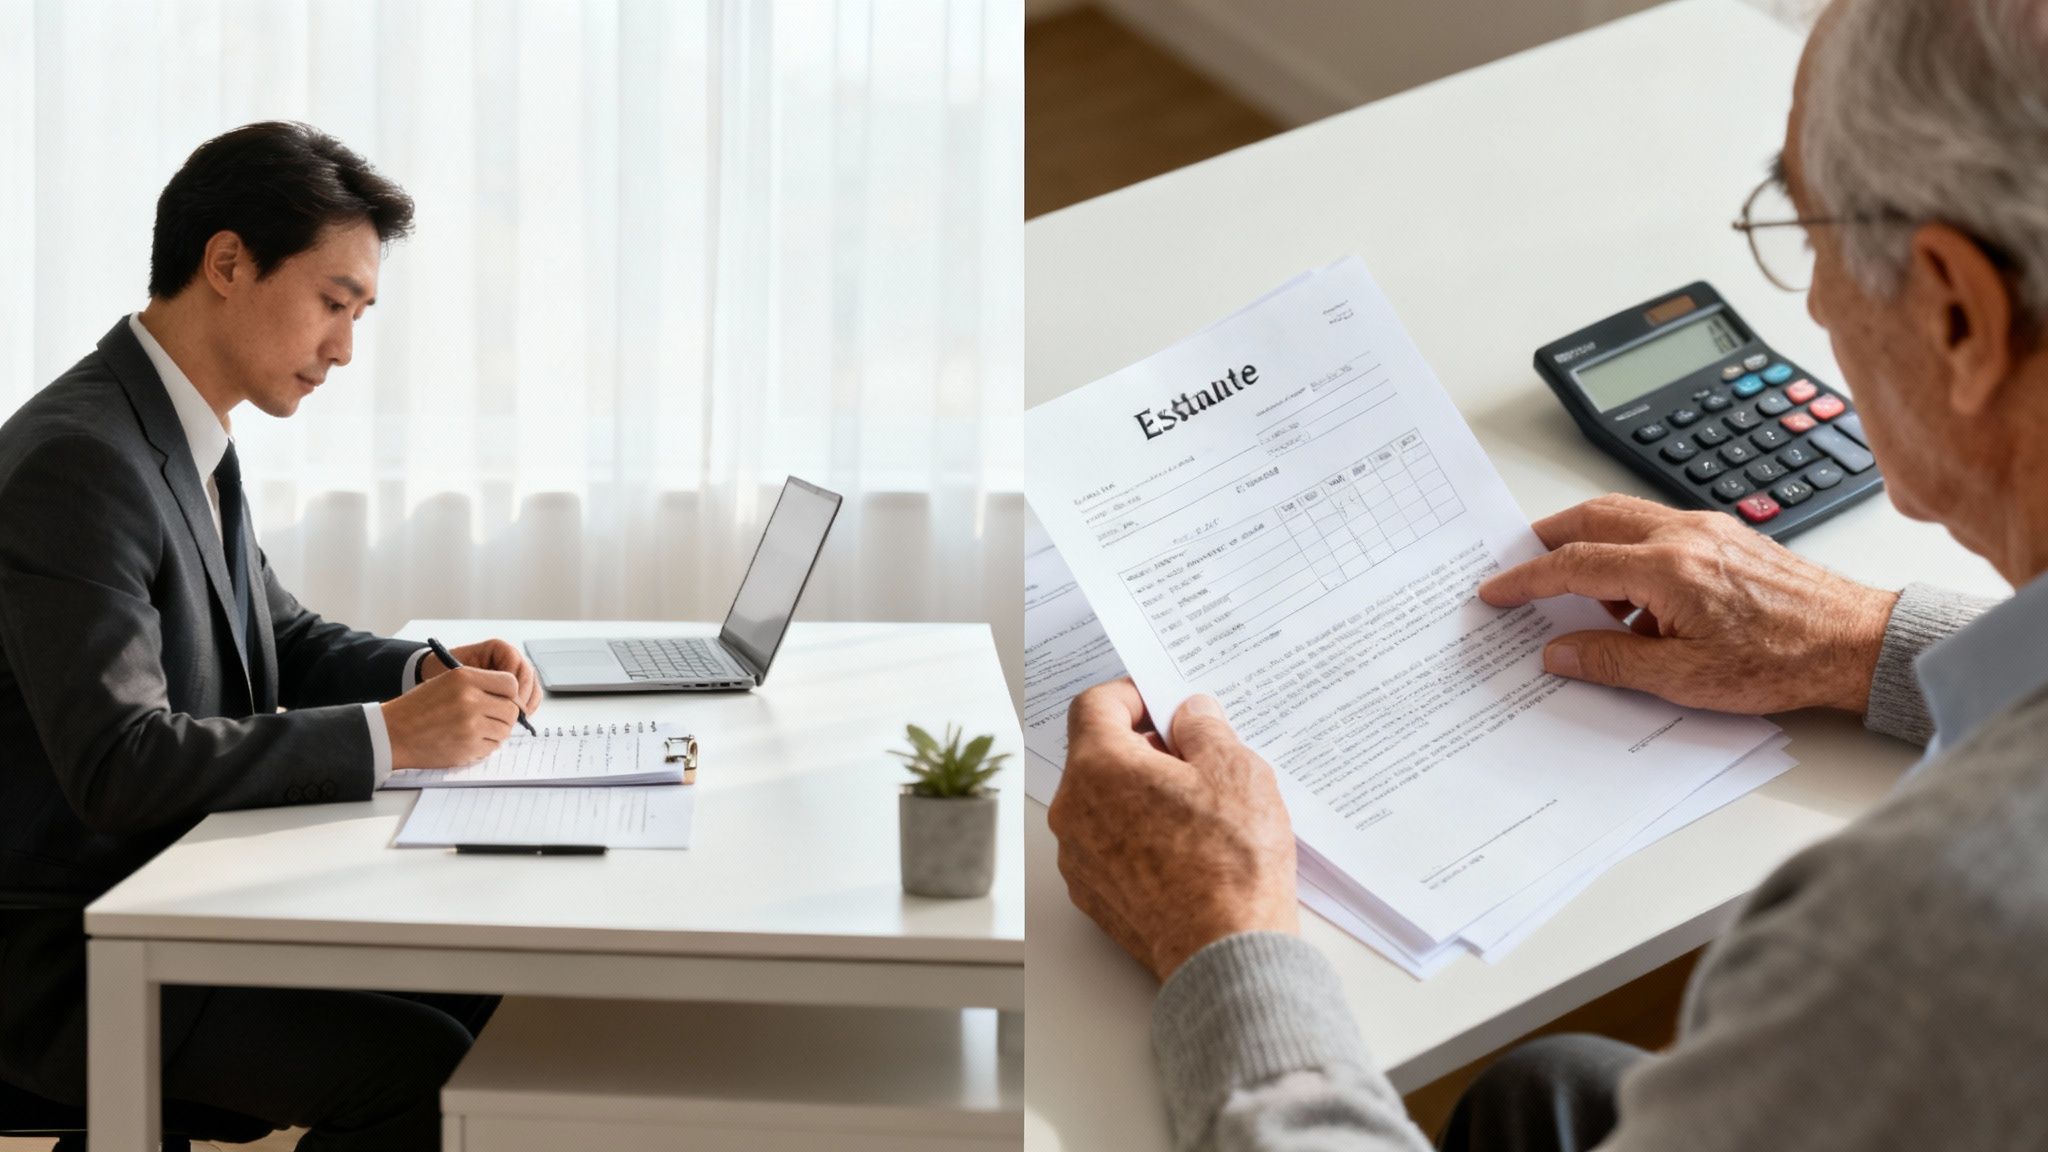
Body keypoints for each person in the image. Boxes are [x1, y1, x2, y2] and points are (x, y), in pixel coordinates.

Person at [1049, 0, 2048, 1149]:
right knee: (1552, 1089)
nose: (1813, 300)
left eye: (1807, 228)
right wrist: (1869, 639)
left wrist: (1219, 939)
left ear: (1957, 312)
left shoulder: (1912, 938)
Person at [0, 122, 543, 1151]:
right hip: (64, 953)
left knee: (487, 996)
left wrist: (431, 673)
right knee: (423, 1070)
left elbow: (277, 637)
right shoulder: (79, 463)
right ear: (228, 262)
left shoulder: (178, 429)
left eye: (360, 313)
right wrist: (395, 735)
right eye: (335, 303)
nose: (344, 348)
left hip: (171, 893)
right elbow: (121, 761)